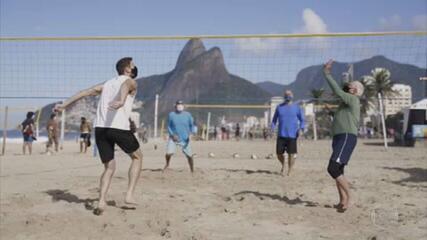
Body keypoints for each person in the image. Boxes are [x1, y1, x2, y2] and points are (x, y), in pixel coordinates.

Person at [55, 57, 143, 215]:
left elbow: (85, 92)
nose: (135, 67)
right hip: (118, 127)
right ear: (127, 69)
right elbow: (126, 84)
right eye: (133, 65)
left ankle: (101, 201)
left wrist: (64, 105)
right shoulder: (131, 81)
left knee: (109, 167)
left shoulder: (107, 84)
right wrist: (122, 100)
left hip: (100, 129)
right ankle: (129, 194)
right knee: (137, 157)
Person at [323, 59, 364, 213]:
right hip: (339, 137)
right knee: (339, 170)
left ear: (354, 90)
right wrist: (331, 111)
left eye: (351, 84)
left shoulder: (353, 98)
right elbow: (341, 116)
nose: (348, 84)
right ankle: (342, 201)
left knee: (332, 168)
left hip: (347, 136)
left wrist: (326, 73)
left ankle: (350, 196)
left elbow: (338, 91)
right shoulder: (345, 105)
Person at [271, 90, 305, 176]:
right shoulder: (279, 107)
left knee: (291, 154)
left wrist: (301, 129)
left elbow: (302, 120)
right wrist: (272, 128)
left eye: (289, 94)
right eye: (286, 94)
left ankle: (289, 170)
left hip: (292, 135)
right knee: (279, 154)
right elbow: (274, 120)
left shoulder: (297, 107)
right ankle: (283, 164)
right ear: (284, 96)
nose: (288, 95)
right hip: (281, 134)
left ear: (292, 95)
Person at [163, 100, 195, 174]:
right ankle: (167, 164)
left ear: (183, 106)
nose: (179, 106)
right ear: (175, 106)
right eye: (178, 105)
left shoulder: (188, 115)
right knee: (168, 153)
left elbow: (192, 125)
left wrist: (191, 134)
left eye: (181, 105)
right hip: (174, 138)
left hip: (185, 138)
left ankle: (192, 170)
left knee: (189, 156)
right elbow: (168, 126)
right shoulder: (171, 115)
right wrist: (172, 134)